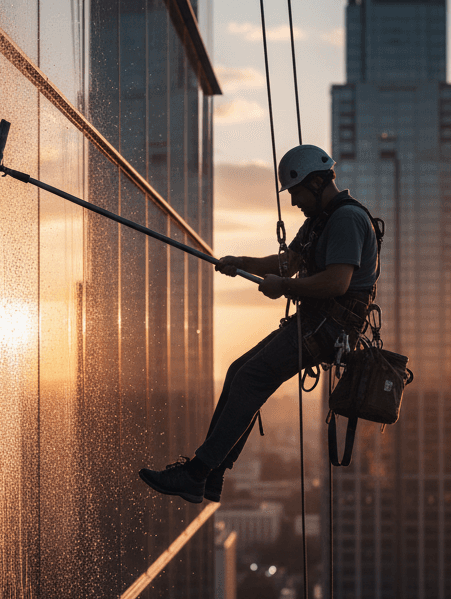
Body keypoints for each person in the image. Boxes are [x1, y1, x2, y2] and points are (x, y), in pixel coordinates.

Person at [139, 145, 381, 504]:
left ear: (315, 184)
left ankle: (197, 473)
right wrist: (243, 262)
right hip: (317, 322)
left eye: (296, 193)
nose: (294, 202)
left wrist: (285, 287)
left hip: (330, 328)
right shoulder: (321, 220)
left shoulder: (345, 219)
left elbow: (337, 282)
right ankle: (213, 474)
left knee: (253, 377)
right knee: (240, 371)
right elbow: (290, 262)